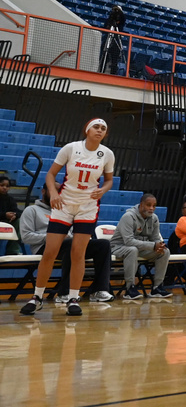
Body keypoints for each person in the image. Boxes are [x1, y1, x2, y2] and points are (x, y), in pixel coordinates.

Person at [20, 119, 117, 316]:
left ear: (106, 134)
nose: (100, 130)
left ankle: (73, 298)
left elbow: (109, 180)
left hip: (87, 207)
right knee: (50, 251)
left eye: (103, 129)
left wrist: (103, 190)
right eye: (96, 127)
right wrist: (53, 194)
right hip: (63, 205)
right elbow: (50, 175)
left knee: (78, 254)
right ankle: (37, 297)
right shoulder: (71, 148)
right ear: (87, 130)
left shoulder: (107, 154)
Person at [19, 184, 114, 303]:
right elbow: (26, 237)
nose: (59, 194)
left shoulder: (64, 211)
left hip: (66, 244)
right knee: (70, 245)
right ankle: (65, 293)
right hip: (43, 247)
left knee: (103, 245)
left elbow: (71, 234)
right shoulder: (31, 210)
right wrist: (53, 238)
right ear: (44, 191)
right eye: (56, 191)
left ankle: (100, 290)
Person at [110, 193, 172, 299]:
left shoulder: (154, 218)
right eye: (148, 205)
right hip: (118, 247)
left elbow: (155, 238)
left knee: (165, 252)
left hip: (139, 248)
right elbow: (129, 241)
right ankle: (130, 288)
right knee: (132, 250)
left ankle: (157, 288)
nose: (152, 208)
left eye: (154, 206)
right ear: (141, 205)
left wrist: (159, 245)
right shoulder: (128, 217)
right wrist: (153, 245)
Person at [98, 4, 127, 75]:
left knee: (115, 60)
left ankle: (113, 73)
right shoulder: (110, 19)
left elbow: (123, 20)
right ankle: (101, 70)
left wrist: (119, 13)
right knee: (105, 55)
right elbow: (105, 27)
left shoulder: (121, 21)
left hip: (116, 41)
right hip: (108, 39)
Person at [0, 173, 22, 255]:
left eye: (7, 186)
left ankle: (12, 250)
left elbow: (18, 211)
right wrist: (4, 215)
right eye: (2, 185)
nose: (5, 188)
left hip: (6, 222)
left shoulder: (10, 199)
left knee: (19, 221)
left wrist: (15, 215)